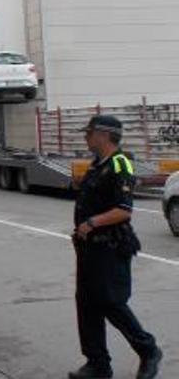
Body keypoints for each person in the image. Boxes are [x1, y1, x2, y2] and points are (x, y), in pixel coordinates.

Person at [69, 115, 162, 379]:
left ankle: (148, 350)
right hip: (89, 249)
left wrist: (91, 222)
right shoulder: (97, 165)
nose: (86, 138)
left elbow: (124, 211)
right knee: (87, 305)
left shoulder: (120, 163)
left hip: (110, 247)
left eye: (89, 133)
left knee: (112, 303)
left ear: (103, 135)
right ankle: (97, 364)